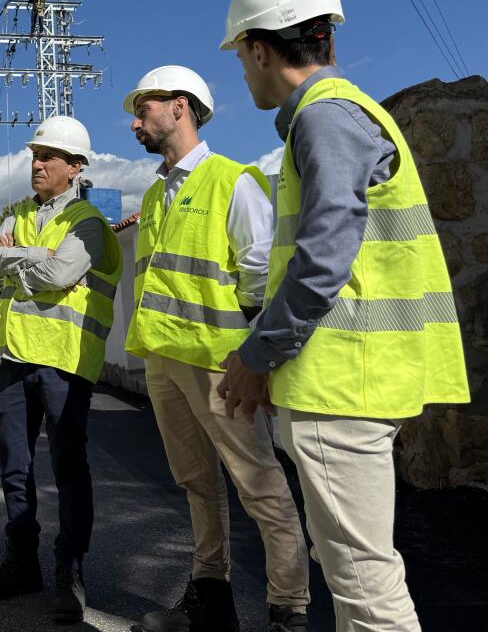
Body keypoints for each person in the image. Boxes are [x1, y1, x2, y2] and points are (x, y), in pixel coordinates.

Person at [217, 0, 469, 631]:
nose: (243, 71)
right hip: (345, 378)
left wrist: (259, 354)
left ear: (262, 50)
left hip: (341, 385)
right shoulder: (344, 115)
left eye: (242, 56)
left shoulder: (324, 120)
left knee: (363, 584)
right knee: (357, 571)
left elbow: (323, 257)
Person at [120, 66, 309, 632]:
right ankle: (211, 596)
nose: (136, 122)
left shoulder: (233, 180)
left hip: (220, 364)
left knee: (259, 483)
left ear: (180, 107)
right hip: (162, 358)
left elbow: (261, 277)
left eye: (144, 109)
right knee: (195, 482)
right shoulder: (156, 194)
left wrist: (256, 359)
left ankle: (290, 608)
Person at [0, 115, 123, 625]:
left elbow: (61, 273)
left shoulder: (87, 221)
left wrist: (13, 256)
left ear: (75, 167)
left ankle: (70, 571)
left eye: (49, 157)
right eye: (35, 155)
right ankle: (22, 562)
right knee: (14, 466)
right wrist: (34, 254)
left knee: (67, 469)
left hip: (64, 361)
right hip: (16, 357)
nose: (37, 163)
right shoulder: (19, 212)